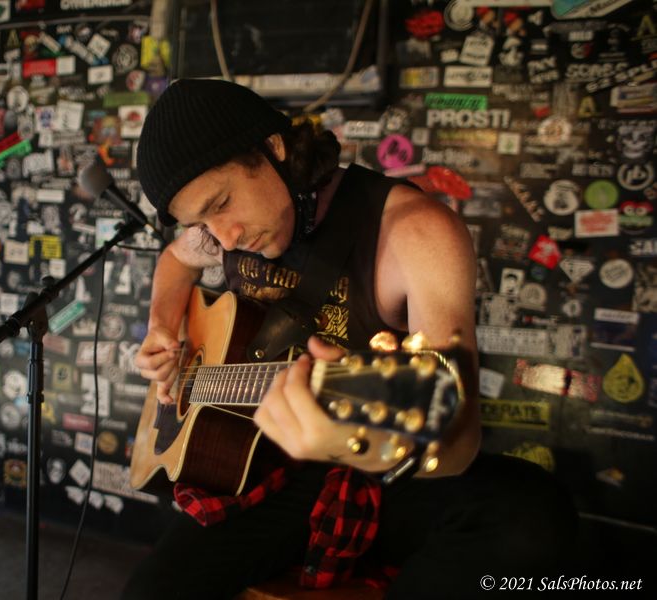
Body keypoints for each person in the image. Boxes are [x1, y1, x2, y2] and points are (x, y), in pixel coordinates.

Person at [123, 79, 576, 599]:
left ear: (272, 148)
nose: (224, 236)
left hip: (393, 473)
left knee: (530, 516)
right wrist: (162, 327)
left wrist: (344, 439)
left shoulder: (416, 232)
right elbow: (176, 260)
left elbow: (457, 438)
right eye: (201, 221)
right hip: (270, 466)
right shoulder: (218, 231)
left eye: (221, 203)